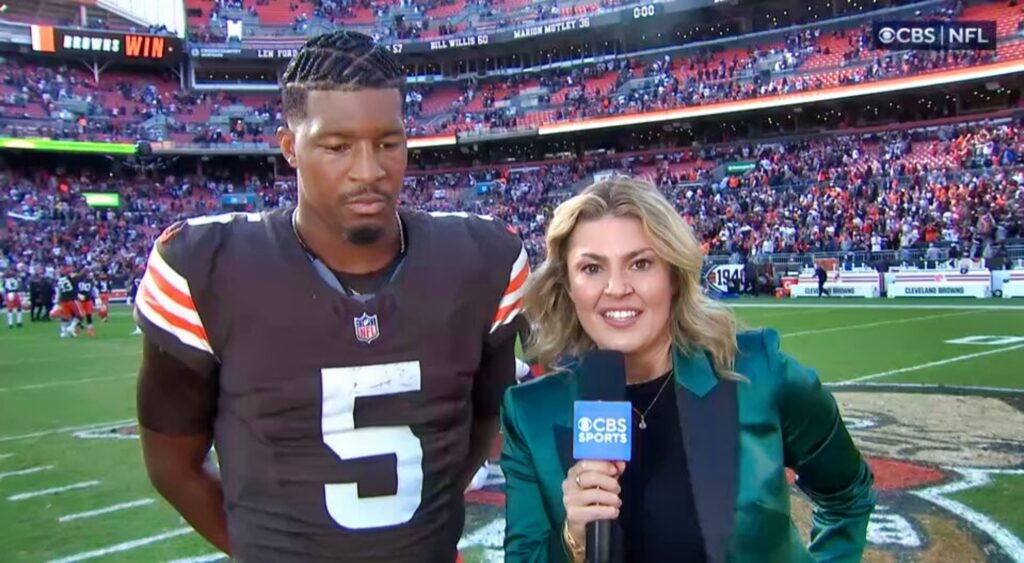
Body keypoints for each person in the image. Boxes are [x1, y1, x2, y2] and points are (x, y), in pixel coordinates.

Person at [135, 31, 528, 562]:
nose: (368, 171)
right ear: (290, 147)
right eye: (337, 146)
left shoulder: (482, 259)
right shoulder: (206, 266)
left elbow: (483, 424)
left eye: (388, 143)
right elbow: (171, 464)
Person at [501, 178, 875, 563]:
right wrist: (573, 539)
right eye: (592, 268)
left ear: (674, 276)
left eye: (640, 263)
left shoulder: (755, 373)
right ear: (568, 286)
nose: (616, 287)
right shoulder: (531, 413)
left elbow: (849, 492)